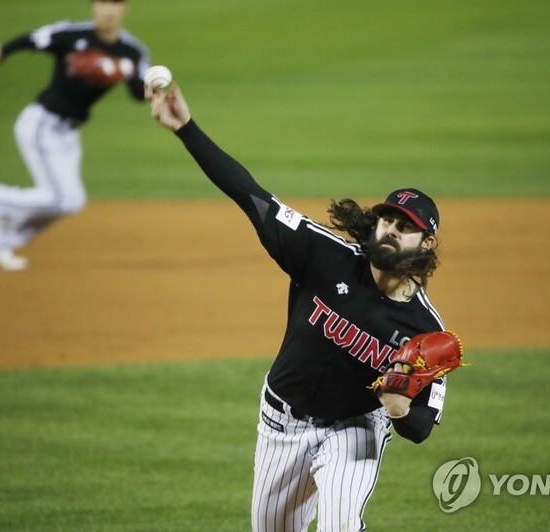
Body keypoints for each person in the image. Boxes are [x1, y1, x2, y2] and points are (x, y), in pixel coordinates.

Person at [148, 83, 451, 531]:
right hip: (280, 421)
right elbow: (251, 197)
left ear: (425, 243)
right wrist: (186, 128)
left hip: (355, 430)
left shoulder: (425, 329)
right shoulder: (324, 254)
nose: (389, 230)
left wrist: (399, 407)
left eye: (404, 227)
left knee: (339, 525)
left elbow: (422, 426)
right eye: (387, 218)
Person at [0, 0, 150, 271]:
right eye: (102, 3)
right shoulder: (72, 34)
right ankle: (1, 200)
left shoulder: (132, 51)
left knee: (71, 203)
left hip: (69, 134)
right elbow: (36, 38)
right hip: (42, 123)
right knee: (59, 198)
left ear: (124, 8)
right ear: (93, 6)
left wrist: (137, 76)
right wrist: (5, 50)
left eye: (115, 4)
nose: (108, 10)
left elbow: (139, 94)